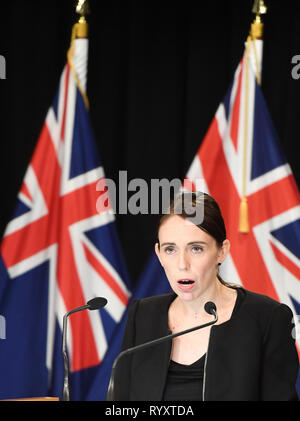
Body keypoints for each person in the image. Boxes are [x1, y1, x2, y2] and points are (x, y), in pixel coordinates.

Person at [112, 191, 299, 401]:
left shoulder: (268, 318)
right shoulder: (143, 315)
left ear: (222, 251)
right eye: (170, 249)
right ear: (159, 254)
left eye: (196, 249)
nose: (182, 264)